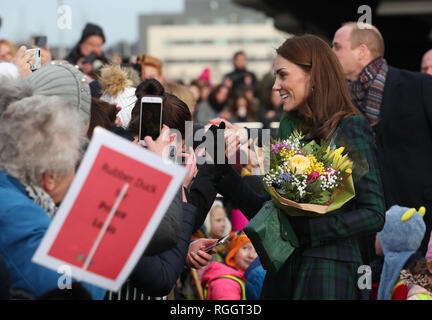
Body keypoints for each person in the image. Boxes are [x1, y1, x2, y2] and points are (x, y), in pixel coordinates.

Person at [211, 34, 386, 299]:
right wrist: (222, 171)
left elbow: (374, 212)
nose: (275, 86)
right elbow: (272, 216)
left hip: (328, 275)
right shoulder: (289, 129)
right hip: (284, 274)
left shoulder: (349, 127)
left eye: (283, 75)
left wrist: (313, 231)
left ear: (313, 76)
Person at [332, 22, 432, 255]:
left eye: (337, 47)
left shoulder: (420, 86)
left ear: (362, 51)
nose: (332, 53)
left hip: (422, 222)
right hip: (367, 227)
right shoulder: (338, 101)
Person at [0, 95, 106, 299]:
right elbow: (75, 291)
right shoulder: (19, 217)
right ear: (51, 178)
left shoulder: (13, 196)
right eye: (73, 164)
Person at [371, 206, 426, 300]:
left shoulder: (404, 286)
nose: (376, 237)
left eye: (380, 232)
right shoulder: (379, 271)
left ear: (392, 238)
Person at [201, 232, 257, 300]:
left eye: (257, 251)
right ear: (233, 252)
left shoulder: (248, 277)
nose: (251, 255)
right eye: (245, 248)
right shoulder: (226, 282)